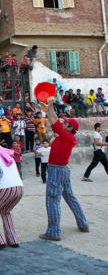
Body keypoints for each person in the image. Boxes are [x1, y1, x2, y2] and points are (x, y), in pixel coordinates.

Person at [38, 96, 89, 241]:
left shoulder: (66, 136)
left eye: (66, 123)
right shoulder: (67, 136)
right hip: (63, 169)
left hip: (57, 169)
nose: (63, 123)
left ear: (70, 128)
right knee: (70, 197)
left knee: (52, 199)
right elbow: (54, 120)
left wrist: (50, 105)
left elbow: (54, 122)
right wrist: (49, 109)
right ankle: (83, 223)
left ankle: (53, 231)